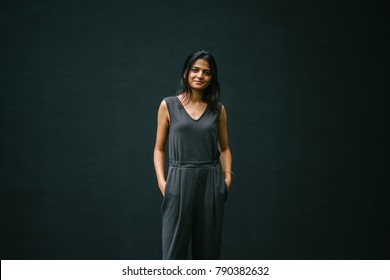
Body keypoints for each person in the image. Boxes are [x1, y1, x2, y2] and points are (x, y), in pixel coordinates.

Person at [153, 50, 233, 259]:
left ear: (212, 77)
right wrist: (163, 183)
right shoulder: (168, 105)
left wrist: (226, 180)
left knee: (208, 255)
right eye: (195, 70)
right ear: (186, 73)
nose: (200, 76)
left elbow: (224, 148)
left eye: (206, 72)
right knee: (173, 256)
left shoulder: (218, 109)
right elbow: (159, 149)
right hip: (178, 180)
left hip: (211, 182)